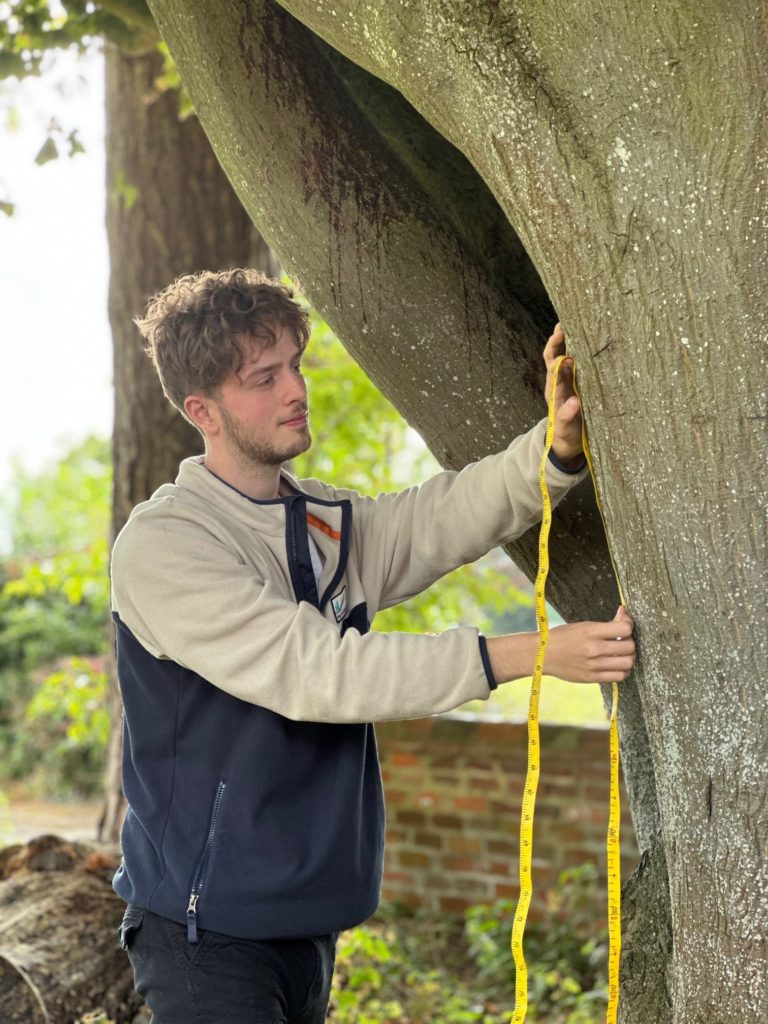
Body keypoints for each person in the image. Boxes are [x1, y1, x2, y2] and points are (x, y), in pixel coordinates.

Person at [112, 268, 636, 1024]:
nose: (294, 388)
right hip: (207, 931)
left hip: (308, 916)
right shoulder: (166, 545)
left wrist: (554, 448)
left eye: (294, 363)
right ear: (204, 411)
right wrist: (531, 654)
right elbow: (318, 672)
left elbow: (437, 519)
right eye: (264, 378)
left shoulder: (322, 518)